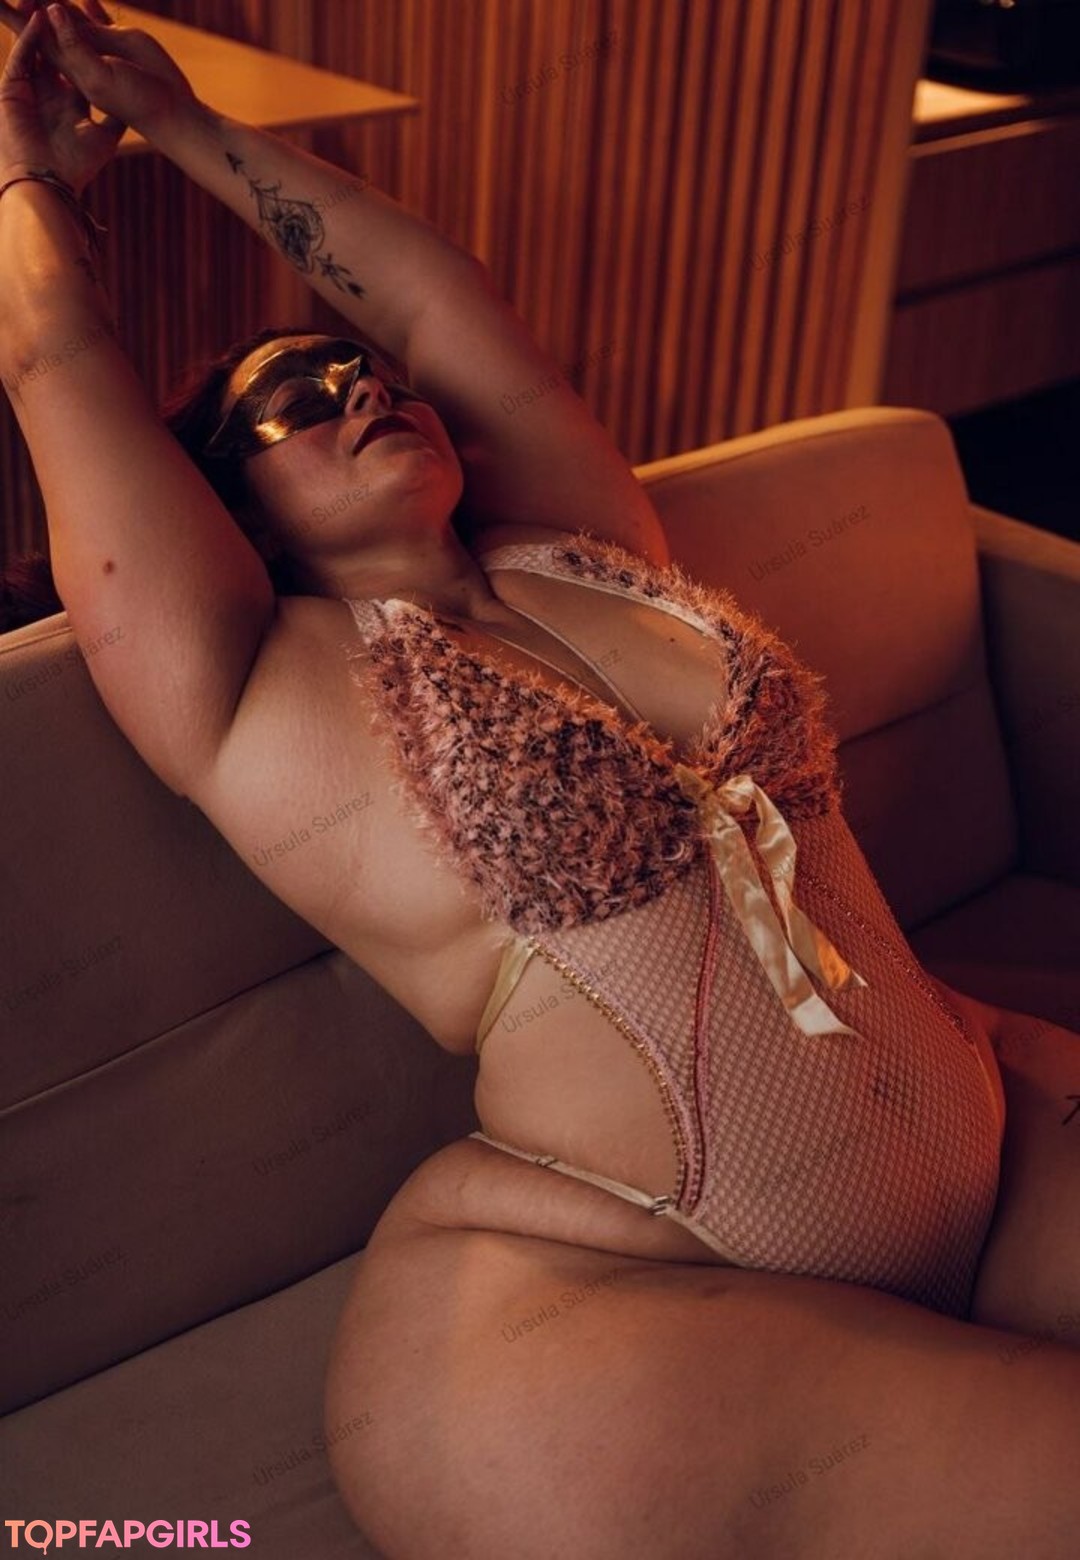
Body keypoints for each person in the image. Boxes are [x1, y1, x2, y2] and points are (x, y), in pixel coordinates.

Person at [2, 4, 1079, 1555]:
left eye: (361, 373)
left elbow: (437, 302)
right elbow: (56, 361)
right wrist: (24, 174)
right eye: (292, 402)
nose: (357, 390)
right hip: (627, 1289)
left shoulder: (580, 548)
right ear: (227, 508)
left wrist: (185, 125)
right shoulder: (252, 684)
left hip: (983, 1139)